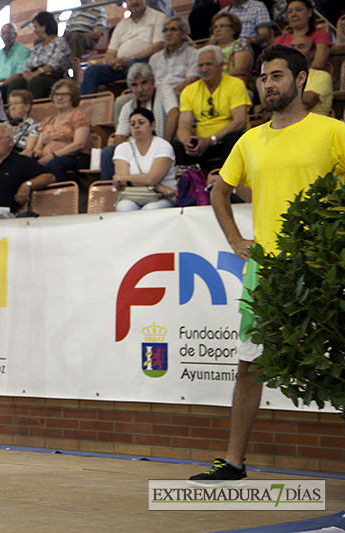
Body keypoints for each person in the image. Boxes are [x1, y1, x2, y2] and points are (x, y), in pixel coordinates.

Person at [188, 44, 345, 487]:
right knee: (248, 366)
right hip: (267, 272)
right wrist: (235, 240)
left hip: (323, 268)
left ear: (300, 80)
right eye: (263, 77)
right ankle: (234, 464)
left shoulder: (332, 131)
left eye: (277, 76)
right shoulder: (250, 139)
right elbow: (220, 190)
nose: (268, 84)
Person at [101, 62, 179, 182]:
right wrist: (132, 147)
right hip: (138, 149)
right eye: (134, 85)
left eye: (144, 83)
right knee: (108, 152)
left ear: (153, 82)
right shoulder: (128, 107)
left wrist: (164, 144)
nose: (140, 89)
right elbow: (119, 137)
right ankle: (110, 193)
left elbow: (174, 113)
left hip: (163, 144)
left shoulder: (163, 91)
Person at [174, 45, 250, 166]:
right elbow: (183, 125)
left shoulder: (235, 84)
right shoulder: (189, 91)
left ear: (221, 65)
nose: (204, 69)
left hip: (224, 141)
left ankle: (229, 182)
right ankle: (189, 181)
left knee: (233, 138)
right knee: (177, 146)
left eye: (209, 64)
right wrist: (188, 141)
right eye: (200, 65)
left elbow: (240, 122)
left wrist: (210, 140)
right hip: (202, 144)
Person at [80, 0, 167, 95]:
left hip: (146, 63)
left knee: (134, 65)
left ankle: (133, 101)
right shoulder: (121, 25)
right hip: (120, 66)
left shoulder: (158, 17)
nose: (134, 2)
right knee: (91, 71)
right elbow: (110, 52)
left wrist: (131, 59)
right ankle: (84, 106)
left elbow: (158, 46)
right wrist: (112, 62)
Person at [0, 122, 56, 217]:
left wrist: (27, 184)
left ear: (10, 141)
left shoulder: (21, 162)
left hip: (1, 212)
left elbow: (49, 177)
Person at [112, 107, 177, 211]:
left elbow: (152, 179)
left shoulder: (163, 146)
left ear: (152, 125)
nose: (136, 126)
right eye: (132, 124)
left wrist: (122, 179)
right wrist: (156, 185)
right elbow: (122, 185)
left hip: (162, 197)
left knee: (149, 209)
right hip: (132, 196)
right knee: (123, 207)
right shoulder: (122, 148)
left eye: (141, 123)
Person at [30, 80, 92, 182]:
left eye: (64, 94)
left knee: (54, 163)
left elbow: (79, 144)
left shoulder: (79, 115)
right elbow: (38, 147)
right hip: (48, 157)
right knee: (25, 164)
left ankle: (57, 194)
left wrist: (53, 156)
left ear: (72, 96)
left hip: (73, 156)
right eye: (56, 94)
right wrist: (37, 154)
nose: (59, 98)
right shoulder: (48, 120)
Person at [6, 12, 71, 100]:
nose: (34, 31)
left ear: (44, 26)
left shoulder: (60, 42)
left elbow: (55, 63)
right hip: (36, 76)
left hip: (54, 77)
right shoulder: (38, 47)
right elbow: (28, 65)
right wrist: (26, 73)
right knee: (16, 83)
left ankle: (34, 111)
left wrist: (37, 73)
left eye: (35, 27)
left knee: (36, 82)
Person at [273, 0, 330, 70]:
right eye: (290, 12)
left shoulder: (320, 35)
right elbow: (272, 63)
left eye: (298, 10)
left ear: (309, 12)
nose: (293, 14)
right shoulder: (281, 39)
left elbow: (318, 63)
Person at [148, 16, 199, 92]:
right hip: (155, 96)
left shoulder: (194, 54)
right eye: (165, 30)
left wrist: (168, 96)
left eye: (173, 30)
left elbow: (190, 81)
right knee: (125, 99)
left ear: (183, 33)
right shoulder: (155, 58)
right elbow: (148, 83)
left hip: (181, 94)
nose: (168, 34)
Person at [210, 13, 255, 95]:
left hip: (237, 85)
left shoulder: (240, 43)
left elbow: (240, 69)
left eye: (222, 26)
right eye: (215, 27)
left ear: (234, 29)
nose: (217, 29)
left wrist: (216, 80)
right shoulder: (210, 49)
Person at [289, 35, 332, 116]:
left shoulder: (322, 76)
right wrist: (301, 97)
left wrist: (279, 99)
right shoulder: (284, 76)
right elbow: (267, 103)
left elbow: (305, 104)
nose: (294, 50)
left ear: (312, 53)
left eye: (300, 47)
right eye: (292, 47)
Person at [0, 24, 30, 99]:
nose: (6, 36)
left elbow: (20, 74)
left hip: (12, 83)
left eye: (9, 33)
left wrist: (1, 84)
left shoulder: (23, 50)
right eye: (3, 34)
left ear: (15, 35)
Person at [64, 2, 107, 70]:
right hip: (72, 37)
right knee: (58, 41)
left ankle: (76, 71)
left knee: (76, 38)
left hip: (88, 39)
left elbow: (97, 34)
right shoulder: (75, 11)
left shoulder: (99, 10)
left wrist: (77, 35)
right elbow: (67, 29)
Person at [8, 89, 40, 154]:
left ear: (27, 107)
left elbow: (29, 150)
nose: (12, 107)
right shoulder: (5, 126)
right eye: (10, 104)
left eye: (16, 103)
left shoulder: (35, 126)